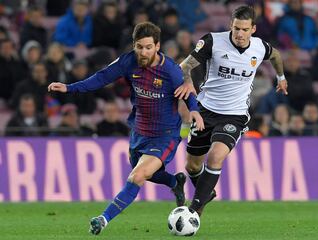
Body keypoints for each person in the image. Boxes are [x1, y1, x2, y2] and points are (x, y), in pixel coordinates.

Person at [48, 22, 204, 235]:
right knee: (148, 174)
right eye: (139, 46)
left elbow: (186, 92)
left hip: (165, 135)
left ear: (157, 46)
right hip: (139, 132)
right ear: (134, 45)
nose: (143, 52)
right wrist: (69, 88)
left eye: (148, 47)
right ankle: (173, 181)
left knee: (137, 175)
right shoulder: (128, 61)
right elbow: (102, 77)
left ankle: (102, 219)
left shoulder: (170, 71)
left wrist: (194, 110)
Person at [174, 6, 288, 216]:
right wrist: (188, 82)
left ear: (253, 29)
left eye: (244, 29)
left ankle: (194, 211)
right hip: (205, 110)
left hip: (234, 115)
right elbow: (183, 67)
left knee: (216, 156)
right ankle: (205, 192)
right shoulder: (213, 41)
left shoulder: (260, 47)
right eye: (236, 28)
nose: (239, 34)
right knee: (192, 166)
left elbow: (277, 56)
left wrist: (281, 78)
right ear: (230, 25)